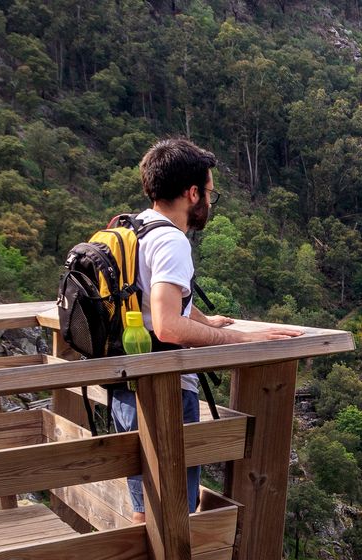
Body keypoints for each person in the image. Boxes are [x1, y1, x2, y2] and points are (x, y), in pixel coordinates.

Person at [111, 137, 303, 523]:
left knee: (143, 502)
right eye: (210, 194)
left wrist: (201, 319)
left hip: (124, 382)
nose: (209, 205)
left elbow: (149, 295)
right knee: (175, 509)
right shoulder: (171, 240)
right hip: (164, 388)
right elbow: (166, 325)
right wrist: (243, 339)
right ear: (192, 193)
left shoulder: (130, 227)